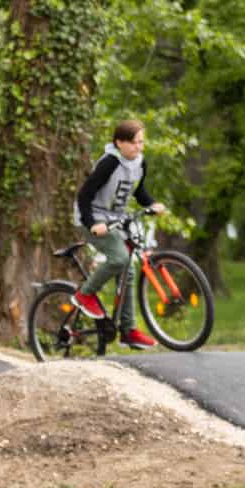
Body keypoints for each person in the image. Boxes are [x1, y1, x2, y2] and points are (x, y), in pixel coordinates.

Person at [69, 119, 167, 350]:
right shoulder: (110, 163)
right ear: (119, 143)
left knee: (128, 269)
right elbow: (84, 196)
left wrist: (152, 204)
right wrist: (92, 224)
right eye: (133, 143)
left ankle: (128, 331)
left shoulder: (140, 163)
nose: (138, 147)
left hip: (114, 220)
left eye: (141, 142)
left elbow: (139, 192)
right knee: (120, 258)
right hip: (91, 218)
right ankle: (84, 295)